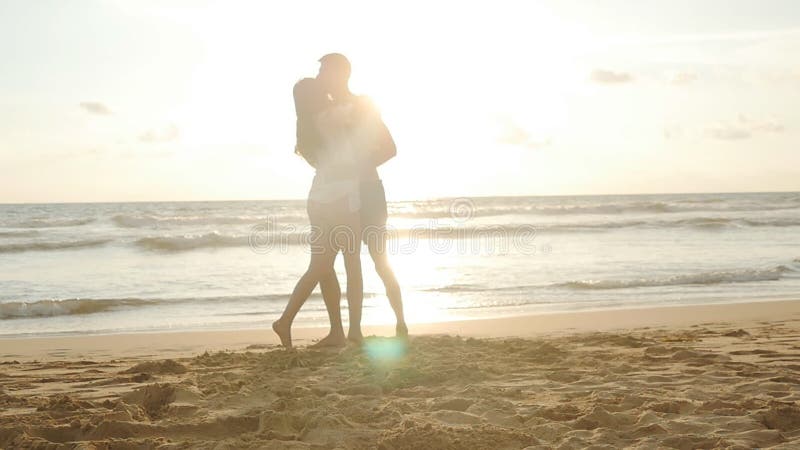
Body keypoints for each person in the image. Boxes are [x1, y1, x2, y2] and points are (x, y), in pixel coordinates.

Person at [315, 53, 408, 339]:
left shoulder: (364, 104)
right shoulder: (322, 110)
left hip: (367, 191)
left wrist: (359, 166)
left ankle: (400, 324)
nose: (320, 78)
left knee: (379, 259)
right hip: (337, 192)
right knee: (329, 261)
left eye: (324, 72)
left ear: (341, 74)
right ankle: (339, 330)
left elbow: (390, 148)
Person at [272, 76, 364, 348]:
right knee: (350, 262)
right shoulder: (332, 115)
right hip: (342, 197)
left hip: (318, 199)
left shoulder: (306, 126)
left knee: (322, 267)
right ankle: (352, 332)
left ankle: (291, 322)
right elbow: (362, 109)